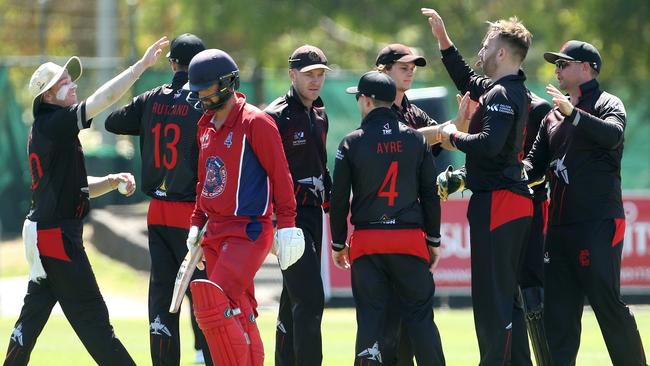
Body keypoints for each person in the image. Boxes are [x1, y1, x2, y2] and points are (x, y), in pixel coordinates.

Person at [3, 37, 169, 366]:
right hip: (55, 237)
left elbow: (71, 188)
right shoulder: (56, 122)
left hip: (42, 232)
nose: (73, 86)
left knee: (32, 317)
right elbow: (102, 99)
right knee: (94, 320)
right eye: (64, 83)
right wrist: (140, 67)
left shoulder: (48, 128)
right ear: (47, 96)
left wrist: (110, 181)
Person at [422, 8, 534, 365]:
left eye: (487, 46)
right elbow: (467, 80)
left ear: (502, 53)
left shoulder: (502, 95)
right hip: (510, 201)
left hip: (500, 203)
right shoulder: (509, 89)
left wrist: (452, 134)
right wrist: (444, 41)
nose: (481, 52)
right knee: (508, 300)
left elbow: (488, 144)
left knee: (492, 302)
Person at [524, 40, 647, 365]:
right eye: (556, 64)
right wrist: (489, 170)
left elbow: (613, 135)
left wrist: (574, 115)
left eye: (564, 63)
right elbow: (533, 168)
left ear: (586, 68)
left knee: (607, 305)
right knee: (558, 317)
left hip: (598, 224)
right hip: (560, 230)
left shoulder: (608, 102)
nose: (557, 70)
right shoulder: (552, 116)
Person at [184, 48, 303, 366]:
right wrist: (197, 221)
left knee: (213, 307)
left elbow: (281, 174)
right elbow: (204, 180)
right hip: (215, 231)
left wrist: (288, 223)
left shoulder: (256, 121)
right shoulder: (205, 125)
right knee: (241, 311)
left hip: (248, 230)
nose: (201, 95)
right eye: (198, 88)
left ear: (227, 83)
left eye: (207, 87)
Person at [104, 33, 213, 366]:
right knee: (205, 295)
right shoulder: (204, 102)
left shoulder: (151, 99)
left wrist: (154, 121)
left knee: (163, 298)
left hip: (157, 212)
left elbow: (112, 121)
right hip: (192, 214)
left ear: (172, 64)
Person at [330, 70, 445, 366]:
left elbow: (339, 198)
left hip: (368, 243)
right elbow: (430, 194)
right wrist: (433, 239)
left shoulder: (351, 143)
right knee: (421, 319)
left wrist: (338, 243)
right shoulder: (415, 140)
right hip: (408, 240)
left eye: (358, 97)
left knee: (371, 319)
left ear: (366, 101)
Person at [264, 44, 331, 366]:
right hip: (287, 220)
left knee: (293, 298)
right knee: (310, 298)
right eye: (308, 74)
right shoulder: (273, 116)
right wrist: (272, 223)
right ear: (292, 74)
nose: (315, 81)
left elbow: (322, 167)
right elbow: (260, 175)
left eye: (320, 74)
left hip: (313, 216)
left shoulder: (320, 113)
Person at [518, 92, 552, 366]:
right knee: (509, 286)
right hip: (501, 205)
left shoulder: (539, 108)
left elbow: (540, 166)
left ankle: (546, 359)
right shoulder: (488, 101)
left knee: (532, 282)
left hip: (532, 204)